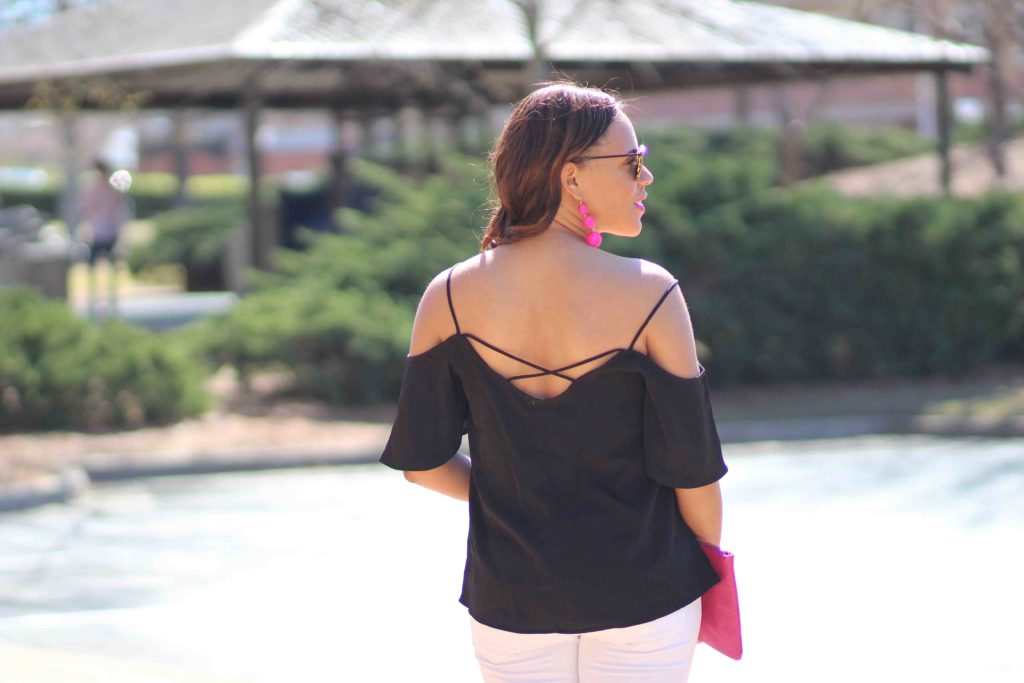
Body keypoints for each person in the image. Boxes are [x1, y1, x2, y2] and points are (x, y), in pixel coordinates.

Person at [379, 81, 728, 683]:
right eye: (633, 163)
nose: (647, 179)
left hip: (511, 600)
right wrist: (713, 576)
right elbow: (693, 474)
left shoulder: (448, 297)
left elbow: (423, 464)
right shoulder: (651, 293)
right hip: (648, 592)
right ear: (572, 177)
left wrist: (518, 496)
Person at [80, 158, 129, 316]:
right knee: (92, 267)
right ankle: (93, 299)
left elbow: (120, 211)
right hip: (97, 233)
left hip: (110, 232)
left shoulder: (112, 191)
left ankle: (112, 298)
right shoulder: (92, 190)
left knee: (112, 267)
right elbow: (86, 210)